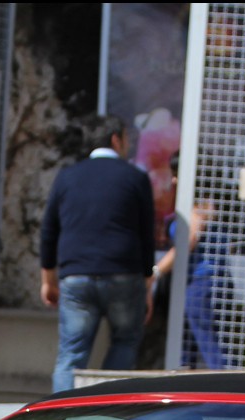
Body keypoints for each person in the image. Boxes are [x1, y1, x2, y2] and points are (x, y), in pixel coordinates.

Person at [40, 114, 156, 393]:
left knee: (71, 353)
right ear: (116, 140)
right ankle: (106, 410)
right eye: (126, 139)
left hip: (75, 276)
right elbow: (146, 234)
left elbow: (48, 231)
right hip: (124, 274)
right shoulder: (136, 178)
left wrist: (48, 279)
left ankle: (62, 419)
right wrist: (147, 284)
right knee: (125, 341)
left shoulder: (67, 177)